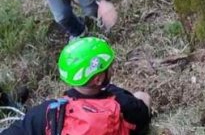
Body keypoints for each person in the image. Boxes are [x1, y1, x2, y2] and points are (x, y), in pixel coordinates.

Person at [1, 37, 151, 135]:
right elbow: (143, 116)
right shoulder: (121, 102)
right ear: (98, 80)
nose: (112, 70)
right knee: (142, 96)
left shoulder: (49, 111)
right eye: (108, 67)